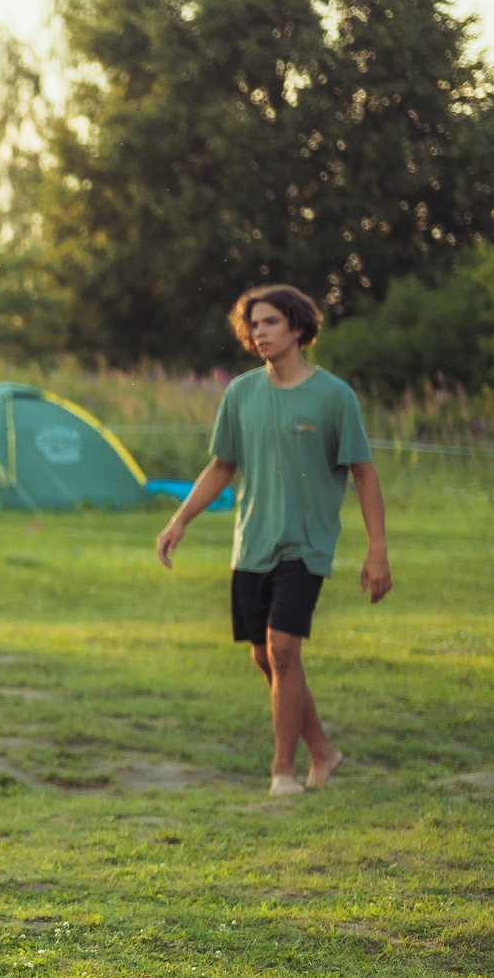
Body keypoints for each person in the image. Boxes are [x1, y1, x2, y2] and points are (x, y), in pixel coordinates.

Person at [155, 284, 390, 795]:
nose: (259, 332)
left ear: (298, 328)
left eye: (270, 323)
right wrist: (179, 521)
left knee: (283, 648)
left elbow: (364, 474)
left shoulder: (334, 397)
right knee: (266, 657)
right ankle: (324, 751)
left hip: (306, 543)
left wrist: (377, 550)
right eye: (253, 325)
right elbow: (222, 466)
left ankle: (283, 771)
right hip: (251, 543)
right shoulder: (241, 394)